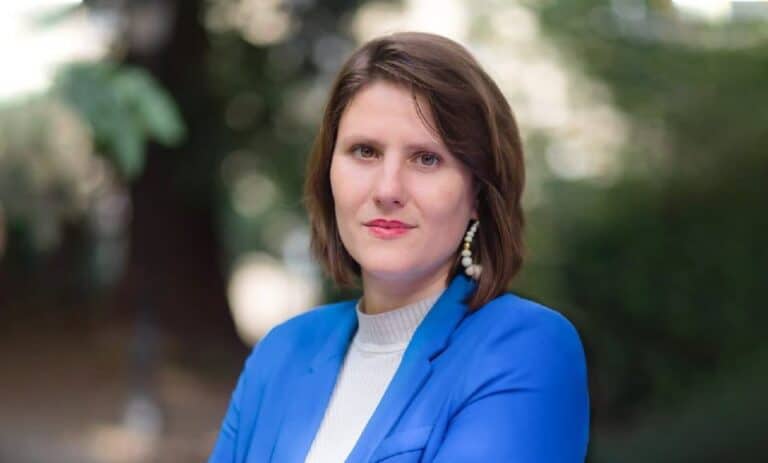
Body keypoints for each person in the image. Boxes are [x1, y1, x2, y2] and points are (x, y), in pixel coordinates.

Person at [208, 31, 589, 463]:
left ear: (479, 194)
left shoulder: (524, 349)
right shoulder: (282, 352)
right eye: (365, 151)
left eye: (426, 158)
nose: (387, 189)